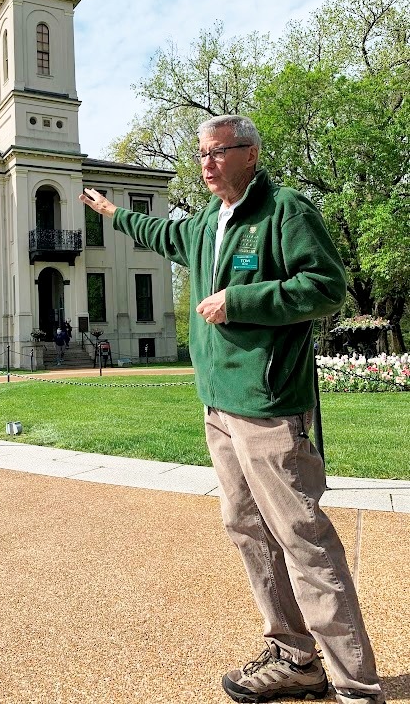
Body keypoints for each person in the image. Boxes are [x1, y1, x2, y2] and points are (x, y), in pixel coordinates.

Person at [79, 115, 385, 704]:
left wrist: (240, 300)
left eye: (219, 152)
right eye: (201, 154)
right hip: (218, 405)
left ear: (251, 154)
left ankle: (356, 685)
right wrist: (115, 214)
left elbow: (326, 287)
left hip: (269, 407)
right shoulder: (205, 224)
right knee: (247, 529)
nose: (207, 163)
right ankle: (295, 658)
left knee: (302, 538)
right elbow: (161, 233)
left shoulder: (284, 212)